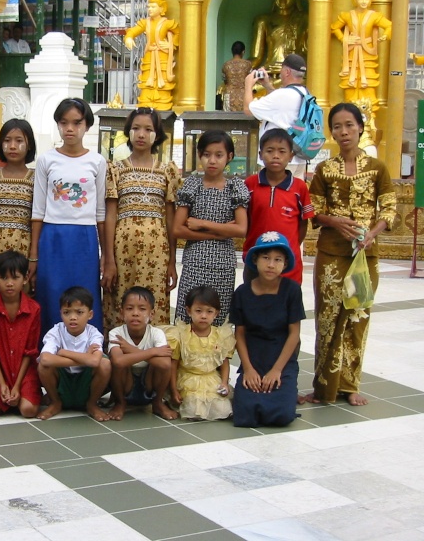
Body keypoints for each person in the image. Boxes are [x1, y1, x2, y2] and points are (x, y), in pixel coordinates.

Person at [306, 102, 397, 406]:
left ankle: (350, 385)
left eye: (349, 125)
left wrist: (372, 234)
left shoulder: (377, 167)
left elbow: (389, 208)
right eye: (337, 127)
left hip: (365, 258)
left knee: (358, 317)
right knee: (327, 318)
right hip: (331, 254)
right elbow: (314, 212)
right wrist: (334, 221)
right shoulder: (324, 169)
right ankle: (324, 387)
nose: (343, 132)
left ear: (360, 127)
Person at [30, 98, 106, 337]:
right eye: (64, 123)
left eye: (76, 122)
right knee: (52, 294)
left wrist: (106, 256)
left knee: (85, 295)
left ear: (87, 125)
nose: (70, 128)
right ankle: (50, 356)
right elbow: (38, 210)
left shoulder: (97, 162)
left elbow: (101, 213)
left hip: (84, 239)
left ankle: (89, 356)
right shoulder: (46, 160)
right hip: (53, 238)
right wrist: (34, 254)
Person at [102, 107, 180, 329]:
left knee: (152, 303)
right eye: (136, 128)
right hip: (122, 250)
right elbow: (110, 214)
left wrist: (172, 261)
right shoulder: (116, 170)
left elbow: (170, 219)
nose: (141, 134)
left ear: (157, 134)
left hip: (157, 253)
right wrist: (108, 259)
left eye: (148, 129)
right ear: (128, 132)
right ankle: (118, 358)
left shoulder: (167, 171)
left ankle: (153, 359)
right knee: (121, 303)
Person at [173, 130, 249, 326]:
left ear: (229, 157)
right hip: (194, 262)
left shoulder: (235, 187)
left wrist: (202, 224)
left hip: (223, 264)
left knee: (216, 316)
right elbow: (178, 229)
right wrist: (222, 231)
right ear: (199, 156)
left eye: (219, 155)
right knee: (188, 314)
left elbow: (241, 230)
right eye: (207, 155)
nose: (212, 161)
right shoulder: (192, 185)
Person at [231, 231, 305, 427]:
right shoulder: (242, 292)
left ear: (285, 263)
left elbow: (294, 334)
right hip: (254, 358)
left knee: (282, 415)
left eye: (277, 259)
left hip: (282, 359)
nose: (271, 264)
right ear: (255, 260)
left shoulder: (292, 290)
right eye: (266, 258)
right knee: (245, 414)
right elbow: (239, 333)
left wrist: (276, 370)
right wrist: (248, 369)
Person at [243, 129, 314, 284]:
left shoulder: (299, 188)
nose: (276, 156)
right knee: (253, 302)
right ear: (260, 155)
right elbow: (244, 219)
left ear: (291, 156)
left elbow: (303, 223)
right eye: (270, 151)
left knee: (285, 304)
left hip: (287, 260)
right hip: (255, 258)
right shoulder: (250, 184)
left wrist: (292, 246)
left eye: (282, 151)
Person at [0, 250, 41, 419]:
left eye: (15, 278)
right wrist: (1, 384)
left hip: (24, 371)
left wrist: (17, 386)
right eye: (4, 278)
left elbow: (30, 350)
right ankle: (5, 397)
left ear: (26, 278)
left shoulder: (34, 309)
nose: (9, 283)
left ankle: (19, 396)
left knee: (28, 410)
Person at [38, 286, 111, 421]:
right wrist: (85, 358)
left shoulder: (94, 333)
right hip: (63, 380)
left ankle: (91, 404)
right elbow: (46, 359)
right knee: (43, 367)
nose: (72, 317)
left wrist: (63, 352)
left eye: (79, 312)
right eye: (67, 312)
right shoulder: (56, 331)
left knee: (105, 364)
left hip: (85, 380)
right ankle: (56, 402)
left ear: (90, 314)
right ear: (61, 313)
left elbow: (95, 362)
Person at [165, 286, 236, 421]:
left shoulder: (220, 335)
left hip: (211, 378)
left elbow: (224, 362)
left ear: (216, 314)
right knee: (193, 408)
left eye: (209, 312)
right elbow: (173, 364)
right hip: (188, 378)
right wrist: (173, 389)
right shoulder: (181, 334)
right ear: (189, 311)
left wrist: (225, 383)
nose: (203, 316)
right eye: (198, 311)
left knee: (223, 408)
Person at [107, 286, 174, 421]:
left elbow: (166, 364)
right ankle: (120, 402)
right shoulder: (116, 333)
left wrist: (131, 350)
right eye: (130, 308)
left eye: (142, 309)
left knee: (162, 366)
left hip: (150, 381)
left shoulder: (157, 333)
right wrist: (153, 352)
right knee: (120, 364)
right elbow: (118, 362)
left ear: (151, 314)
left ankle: (157, 403)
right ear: (122, 313)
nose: (135, 313)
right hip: (126, 383)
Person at [331, 0, 391, 115]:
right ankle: (349, 116)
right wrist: (343, 39)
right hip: (351, 56)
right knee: (350, 84)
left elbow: (390, 26)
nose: (363, 1)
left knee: (368, 84)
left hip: (367, 56)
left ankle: (369, 120)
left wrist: (385, 36)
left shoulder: (375, 16)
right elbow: (334, 27)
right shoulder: (347, 15)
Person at [244, 53, 310, 179]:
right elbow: (281, 105)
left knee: (274, 195)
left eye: (281, 71)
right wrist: (267, 85)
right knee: (293, 194)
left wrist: (248, 85)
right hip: (298, 157)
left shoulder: (282, 95)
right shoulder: (305, 92)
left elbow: (248, 109)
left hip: (278, 160)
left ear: (287, 72)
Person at [0, 118, 36, 260]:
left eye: (19, 141)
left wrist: (34, 256)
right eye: (7, 141)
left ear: (29, 145)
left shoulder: (37, 179)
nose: (12, 146)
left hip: (24, 249)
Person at [124, 0, 179, 110]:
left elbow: (178, 32)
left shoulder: (166, 23)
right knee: (148, 80)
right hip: (149, 56)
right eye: (149, 6)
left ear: (161, 8)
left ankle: (161, 103)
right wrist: (129, 37)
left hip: (162, 56)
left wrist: (171, 44)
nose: (150, 9)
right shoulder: (145, 23)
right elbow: (133, 30)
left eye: (153, 6)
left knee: (162, 81)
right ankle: (147, 104)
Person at [249, 0, 308, 75]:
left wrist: (289, 68)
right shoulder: (263, 21)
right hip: (270, 73)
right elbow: (256, 58)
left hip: (297, 75)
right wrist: (236, 76)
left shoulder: (306, 19)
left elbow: (313, 55)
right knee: (255, 88)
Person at [221, 41, 251, 111]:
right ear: (243, 52)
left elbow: (225, 81)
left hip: (229, 95)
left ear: (232, 51)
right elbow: (250, 80)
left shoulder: (226, 65)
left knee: (228, 119)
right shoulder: (248, 64)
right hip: (243, 95)